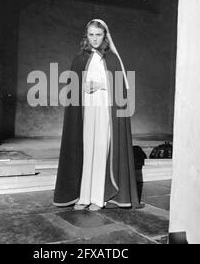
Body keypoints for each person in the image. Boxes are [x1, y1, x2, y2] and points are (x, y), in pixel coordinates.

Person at [53, 19, 143, 211]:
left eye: (98, 35)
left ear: (105, 36)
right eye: (91, 35)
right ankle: (84, 196)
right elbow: (72, 88)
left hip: (105, 111)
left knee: (102, 148)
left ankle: (98, 197)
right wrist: (80, 86)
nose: (94, 39)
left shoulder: (112, 59)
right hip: (86, 111)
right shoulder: (80, 59)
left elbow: (121, 89)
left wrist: (101, 85)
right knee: (87, 149)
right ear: (86, 36)